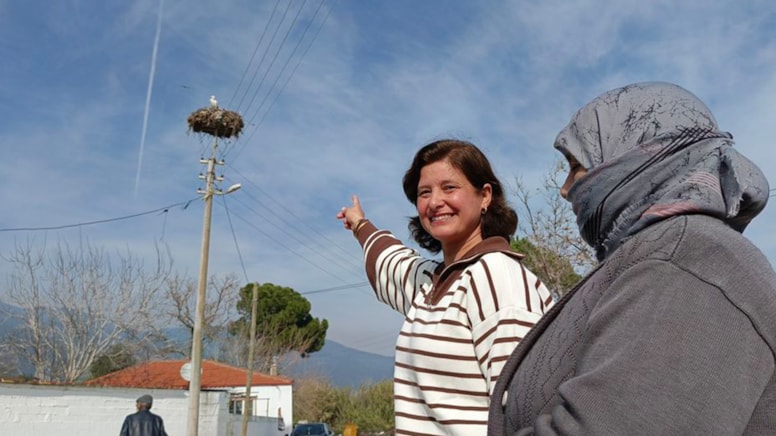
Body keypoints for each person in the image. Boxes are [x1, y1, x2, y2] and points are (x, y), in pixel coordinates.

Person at [488, 81, 776, 435]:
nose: (564, 190)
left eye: (576, 165)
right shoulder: (663, 253)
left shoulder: (687, 262)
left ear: (638, 160)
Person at [337, 139, 554, 435]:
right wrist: (360, 224)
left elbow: (523, 410)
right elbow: (390, 261)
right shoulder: (433, 283)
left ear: (485, 195)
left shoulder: (497, 276)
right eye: (424, 192)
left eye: (449, 188)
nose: (435, 201)